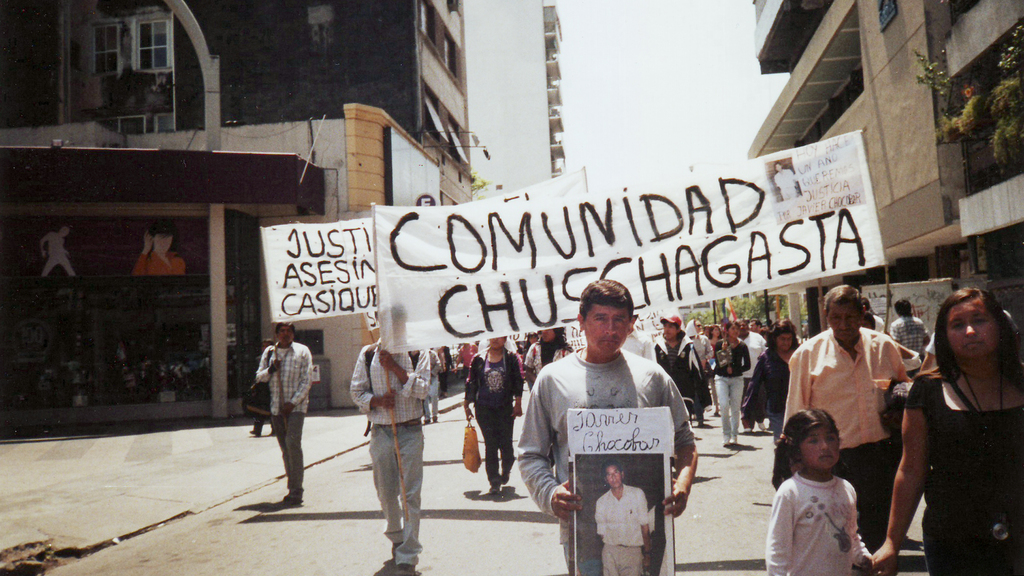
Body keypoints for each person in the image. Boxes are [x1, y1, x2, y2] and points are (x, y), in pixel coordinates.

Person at [518, 279, 698, 571]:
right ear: (581, 322)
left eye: (619, 320)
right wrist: (550, 494)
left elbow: (685, 441)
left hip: (640, 542)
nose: (611, 330)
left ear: (631, 325)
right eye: (600, 319)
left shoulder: (653, 378)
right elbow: (530, 454)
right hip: (579, 531)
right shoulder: (552, 380)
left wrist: (684, 485)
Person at [873, 289, 1024, 576]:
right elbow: (911, 469)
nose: (969, 331)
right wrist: (891, 542)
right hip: (952, 544)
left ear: (1000, 326)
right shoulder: (927, 391)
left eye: (979, 320)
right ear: (943, 336)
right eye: (957, 324)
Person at [785, 285, 909, 552]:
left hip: (879, 460)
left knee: (877, 541)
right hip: (832, 463)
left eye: (850, 317)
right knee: (834, 542)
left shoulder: (883, 346)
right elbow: (795, 415)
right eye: (835, 318)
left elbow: (904, 387)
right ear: (826, 316)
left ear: (862, 313)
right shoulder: (808, 354)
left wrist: (898, 402)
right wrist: (796, 468)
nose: (843, 325)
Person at [350, 341, 430, 576]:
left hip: (411, 430)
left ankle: (408, 556)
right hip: (381, 431)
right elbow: (356, 391)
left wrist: (395, 367)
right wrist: (378, 401)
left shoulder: (418, 351)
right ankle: (396, 536)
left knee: (410, 494)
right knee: (386, 491)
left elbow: (423, 390)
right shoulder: (367, 354)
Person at [766, 409, 872, 576]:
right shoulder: (790, 492)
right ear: (796, 450)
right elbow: (778, 548)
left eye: (830, 438)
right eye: (813, 441)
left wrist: (863, 557)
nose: (825, 446)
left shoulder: (846, 489)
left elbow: (851, 536)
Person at [255, 322, 313, 506]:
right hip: (276, 409)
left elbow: (307, 380)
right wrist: (272, 368)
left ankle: (297, 490)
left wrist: (293, 402)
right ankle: (292, 487)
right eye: (282, 331)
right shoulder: (269, 353)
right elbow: (259, 377)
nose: (285, 334)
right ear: (277, 334)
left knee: (292, 444)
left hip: (296, 409)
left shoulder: (303, 351)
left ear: (293, 334)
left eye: (289, 331)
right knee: (285, 449)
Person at [465, 336, 525, 495]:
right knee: (490, 444)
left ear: (505, 338)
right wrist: (467, 404)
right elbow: (471, 382)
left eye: (499, 336)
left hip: (505, 408)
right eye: (492, 335)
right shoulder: (478, 359)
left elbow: (518, 380)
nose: (495, 339)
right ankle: (494, 480)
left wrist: (518, 403)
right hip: (484, 409)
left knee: (505, 444)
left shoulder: (511, 358)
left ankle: (507, 466)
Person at [742, 320, 799, 443]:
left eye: (789, 339)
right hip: (777, 408)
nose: (786, 342)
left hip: (799, 406)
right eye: (782, 339)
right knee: (782, 444)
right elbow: (754, 384)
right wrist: (746, 411)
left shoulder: (800, 354)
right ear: (774, 339)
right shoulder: (766, 358)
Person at [594, 460, 653, 576]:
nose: (613, 477)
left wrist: (647, 553)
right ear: (606, 479)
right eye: (609, 475)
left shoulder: (637, 494)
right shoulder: (601, 502)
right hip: (610, 552)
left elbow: (645, 527)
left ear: (622, 474)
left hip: (632, 552)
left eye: (616, 473)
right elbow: (601, 533)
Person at [655, 315, 707, 427]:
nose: (667, 329)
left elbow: (697, 371)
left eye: (670, 326)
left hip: (685, 393)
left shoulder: (688, 346)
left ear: (678, 329)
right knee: (666, 427)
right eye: (665, 326)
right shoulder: (657, 346)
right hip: (663, 393)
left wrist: (705, 400)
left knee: (684, 427)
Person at [714, 320, 750, 447]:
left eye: (737, 329)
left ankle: (734, 434)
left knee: (735, 407)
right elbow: (719, 365)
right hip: (722, 378)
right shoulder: (720, 344)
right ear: (727, 330)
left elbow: (747, 365)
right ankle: (726, 434)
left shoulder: (742, 346)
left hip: (737, 379)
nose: (736, 331)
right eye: (733, 328)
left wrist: (734, 369)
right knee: (723, 405)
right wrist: (724, 352)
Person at [739, 319, 769, 432]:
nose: (742, 327)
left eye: (744, 325)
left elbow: (765, 352)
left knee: (760, 398)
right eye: (740, 326)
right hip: (740, 376)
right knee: (744, 401)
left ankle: (760, 420)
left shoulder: (757, 337)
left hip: (757, 375)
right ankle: (748, 424)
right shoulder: (733, 339)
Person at [249, 339, 275, 437]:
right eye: (263, 346)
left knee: (272, 409)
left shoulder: (274, 358)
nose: (264, 348)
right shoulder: (258, 359)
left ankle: (274, 428)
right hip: (261, 388)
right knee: (258, 409)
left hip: (271, 386)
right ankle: (257, 429)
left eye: (266, 346)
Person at [706, 324, 724, 416]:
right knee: (713, 387)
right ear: (712, 331)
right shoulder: (708, 342)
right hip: (711, 366)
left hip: (720, 365)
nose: (717, 332)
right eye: (715, 330)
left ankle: (722, 406)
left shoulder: (722, 342)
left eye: (718, 330)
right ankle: (716, 407)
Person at [422, 348, 442, 425]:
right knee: (425, 397)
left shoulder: (433, 354)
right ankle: (427, 417)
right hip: (424, 377)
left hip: (433, 377)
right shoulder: (421, 354)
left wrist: (432, 373)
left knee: (434, 395)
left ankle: (435, 415)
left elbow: (438, 364)